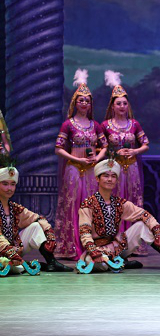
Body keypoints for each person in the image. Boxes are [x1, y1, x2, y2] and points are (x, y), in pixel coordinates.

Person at [77, 159, 160, 271]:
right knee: (101, 265)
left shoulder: (119, 203)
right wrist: (93, 250)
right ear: (97, 178)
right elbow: (84, 232)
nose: (110, 179)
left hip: (116, 246)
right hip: (96, 250)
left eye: (113, 176)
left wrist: (158, 232)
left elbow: (144, 215)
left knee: (142, 226)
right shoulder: (88, 204)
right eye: (106, 176)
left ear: (116, 180)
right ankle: (120, 262)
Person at [54, 69, 108, 259]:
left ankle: (91, 245)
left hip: (91, 171)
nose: (84, 103)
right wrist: (77, 160)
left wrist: (97, 159)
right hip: (74, 169)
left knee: (91, 205)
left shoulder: (96, 125)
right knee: (73, 205)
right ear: (75, 103)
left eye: (87, 100)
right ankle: (71, 246)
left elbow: (105, 146)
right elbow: (58, 149)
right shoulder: (68, 124)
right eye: (81, 100)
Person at [102, 70, 150, 255]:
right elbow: (100, 148)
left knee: (133, 201)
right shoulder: (105, 125)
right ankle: (114, 241)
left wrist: (135, 151)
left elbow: (146, 144)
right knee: (114, 202)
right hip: (113, 170)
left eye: (124, 103)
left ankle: (135, 243)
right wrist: (114, 153)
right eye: (118, 103)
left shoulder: (134, 124)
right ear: (112, 106)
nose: (122, 106)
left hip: (132, 168)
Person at [0, 166, 72, 273]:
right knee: (14, 268)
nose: (9, 188)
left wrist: (49, 232)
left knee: (36, 226)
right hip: (4, 250)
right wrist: (10, 252)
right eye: (5, 184)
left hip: (14, 251)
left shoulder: (14, 208)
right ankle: (27, 265)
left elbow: (38, 218)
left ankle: (51, 261)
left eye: (13, 184)